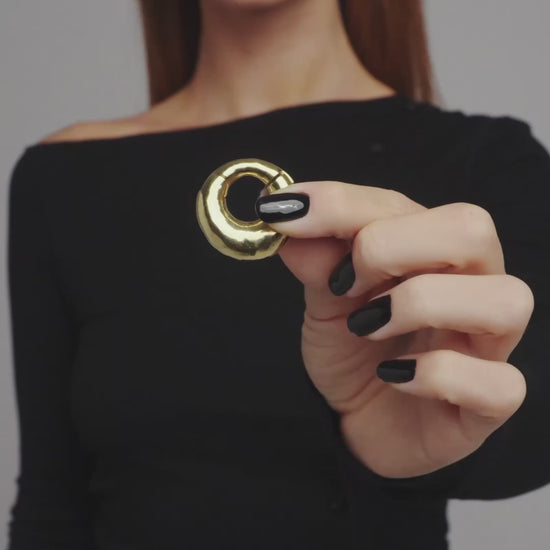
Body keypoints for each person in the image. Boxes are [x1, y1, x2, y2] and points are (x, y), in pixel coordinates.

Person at [5, 0, 550, 549]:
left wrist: (415, 437)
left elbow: (531, 441)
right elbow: (50, 512)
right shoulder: (63, 180)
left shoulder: (490, 163)